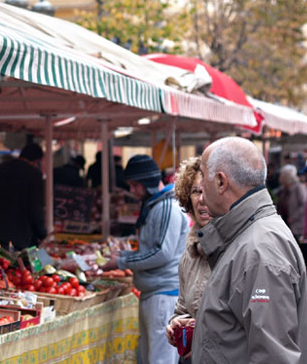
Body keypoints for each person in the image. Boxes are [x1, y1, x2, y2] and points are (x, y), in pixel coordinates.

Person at [184, 137, 307, 363]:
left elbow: (273, 356)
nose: (200, 188)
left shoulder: (260, 251)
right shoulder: (248, 238)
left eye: (204, 175)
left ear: (221, 182)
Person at [102, 154, 188, 364]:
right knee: (151, 356)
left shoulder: (166, 207)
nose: (132, 191)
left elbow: (162, 253)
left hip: (163, 295)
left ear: (147, 181)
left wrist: (121, 262)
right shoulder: (156, 205)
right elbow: (151, 249)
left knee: (160, 358)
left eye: (134, 185)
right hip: (154, 292)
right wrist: (123, 255)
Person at [164, 157, 213, 363]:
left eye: (207, 191)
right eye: (195, 191)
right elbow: (183, 307)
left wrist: (205, 341)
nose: (202, 199)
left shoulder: (237, 247)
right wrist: (175, 324)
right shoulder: (190, 249)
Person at [0, 143, 46, 250]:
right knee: (11, 263)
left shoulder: (1, 169)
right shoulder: (33, 175)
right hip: (14, 236)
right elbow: (35, 209)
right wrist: (42, 233)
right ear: (37, 161)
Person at [279, 164, 306, 240]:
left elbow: (304, 205)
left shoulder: (299, 187)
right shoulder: (285, 188)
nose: (280, 177)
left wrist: (293, 218)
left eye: (282, 175)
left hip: (297, 226)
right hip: (286, 224)